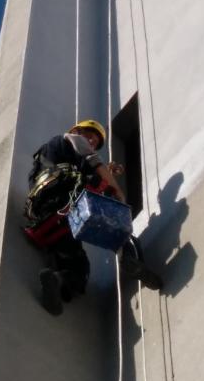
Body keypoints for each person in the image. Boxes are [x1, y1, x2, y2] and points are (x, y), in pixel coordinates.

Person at [24, 118, 162, 314]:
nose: (91, 142)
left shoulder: (47, 155)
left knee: (79, 267)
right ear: (77, 131)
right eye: (90, 136)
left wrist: (106, 171)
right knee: (119, 227)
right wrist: (117, 192)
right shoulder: (73, 138)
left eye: (96, 142)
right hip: (66, 201)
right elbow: (94, 164)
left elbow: (74, 171)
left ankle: (56, 279)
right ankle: (130, 258)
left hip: (45, 212)